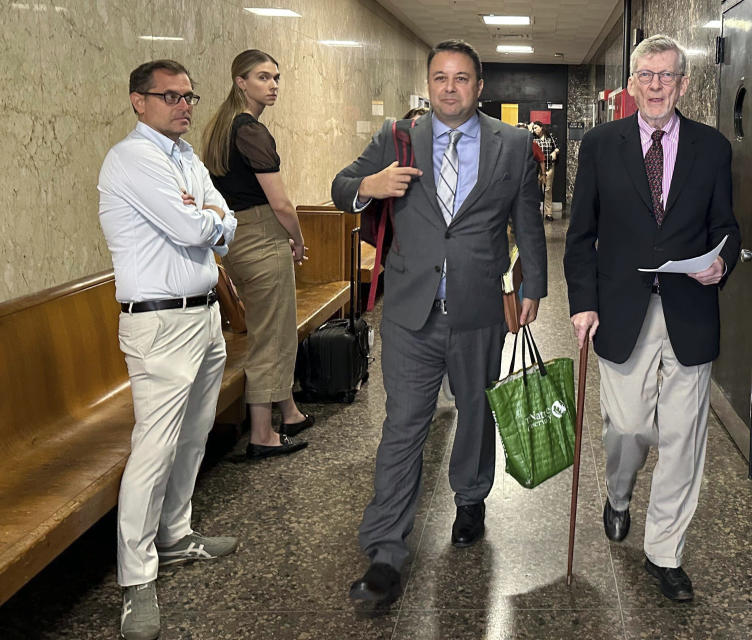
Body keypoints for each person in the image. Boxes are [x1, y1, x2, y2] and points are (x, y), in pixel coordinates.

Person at [332, 39, 547, 604]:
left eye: (461, 78)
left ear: (479, 86)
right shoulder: (397, 139)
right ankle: (385, 549)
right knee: (404, 423)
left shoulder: (514, 144)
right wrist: (369, 187)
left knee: (477, 409)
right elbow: (340, 188)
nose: (449, 88)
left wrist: (533, 287)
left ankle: (471, 497)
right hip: (409, 309)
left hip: (480, 306)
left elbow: (528, 222)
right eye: (439, 78)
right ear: (428, 85)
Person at [564, 35, 741, 603]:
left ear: (684, 84)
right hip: (621, 308)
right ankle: (619, 493)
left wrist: (721, 263)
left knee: (684, 439)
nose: (657, 85)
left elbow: (728, 229)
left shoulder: (712, 149)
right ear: (632, 83)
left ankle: (665, 552)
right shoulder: (599, 145)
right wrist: (582, 301)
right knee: (630, 428)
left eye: (668, 75)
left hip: (689, 309)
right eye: (647, 75)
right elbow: (580, 234)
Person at [98, 59, 240, 640]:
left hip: (204, 316)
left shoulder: (185, 158)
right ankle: (136, 581)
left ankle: (176, 535)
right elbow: (192, 229)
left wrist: (207, 215)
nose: (184, 105)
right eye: (170, 96)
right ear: (138, 101)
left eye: (189, 96)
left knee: (194, 432)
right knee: (152, 449)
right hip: (157, 324)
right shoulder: (132, 158)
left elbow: (225, 220)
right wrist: (205, 217)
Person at [201, 49, 311, 460]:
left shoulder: (221, 126)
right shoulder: (251, 130)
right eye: (263, 77)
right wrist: (297, 239)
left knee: (274, 327)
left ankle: (289, 411)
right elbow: (281, 204)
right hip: (262, 234)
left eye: (276, 78)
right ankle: (263, 433)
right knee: (272, 335)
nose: (273, 85)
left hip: (237, 238)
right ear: (240, 82)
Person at [532, 121, 559, 220]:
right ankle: (535, 211)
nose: (534, 130)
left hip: (549, 166)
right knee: (535, 190)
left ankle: (548, 213)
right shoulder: (533, 139)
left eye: (536, 128)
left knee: (548, 190)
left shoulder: (549, 137)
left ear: (541, 128)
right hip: (537, 169)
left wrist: (555, 152)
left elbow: (556, 148)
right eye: (533, 128)